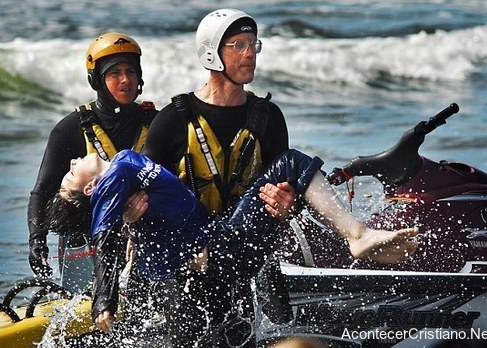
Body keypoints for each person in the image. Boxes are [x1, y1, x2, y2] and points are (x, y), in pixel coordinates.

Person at [45, 148, 418, 346]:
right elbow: (105, 241)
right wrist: (103, 303)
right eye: (69, 173)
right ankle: (356, 237)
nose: (74, 161)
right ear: (91, 190)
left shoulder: (124, 175)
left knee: (289, 166)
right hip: (207, 263)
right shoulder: (111, 182)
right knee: (289, 162)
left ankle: (356, 237)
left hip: (212, 250)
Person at [139, 8, 297, 341]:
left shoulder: (268, 118)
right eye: (238, 44)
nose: (250, 53)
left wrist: (287, 203)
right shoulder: (172, 121)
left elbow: (284, 200)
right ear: (212, 52)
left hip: (239, 257)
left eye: (253, 44)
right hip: (186, 264)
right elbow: (142, 198)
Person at [27, 32, 157, 291]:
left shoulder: (156, 123)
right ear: (96, 80)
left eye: (131, 71)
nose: (125, 80)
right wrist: (36, 239)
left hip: (143, 237)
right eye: (114, 73)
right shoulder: (69, 130)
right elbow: (42, 191)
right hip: (88, 243)